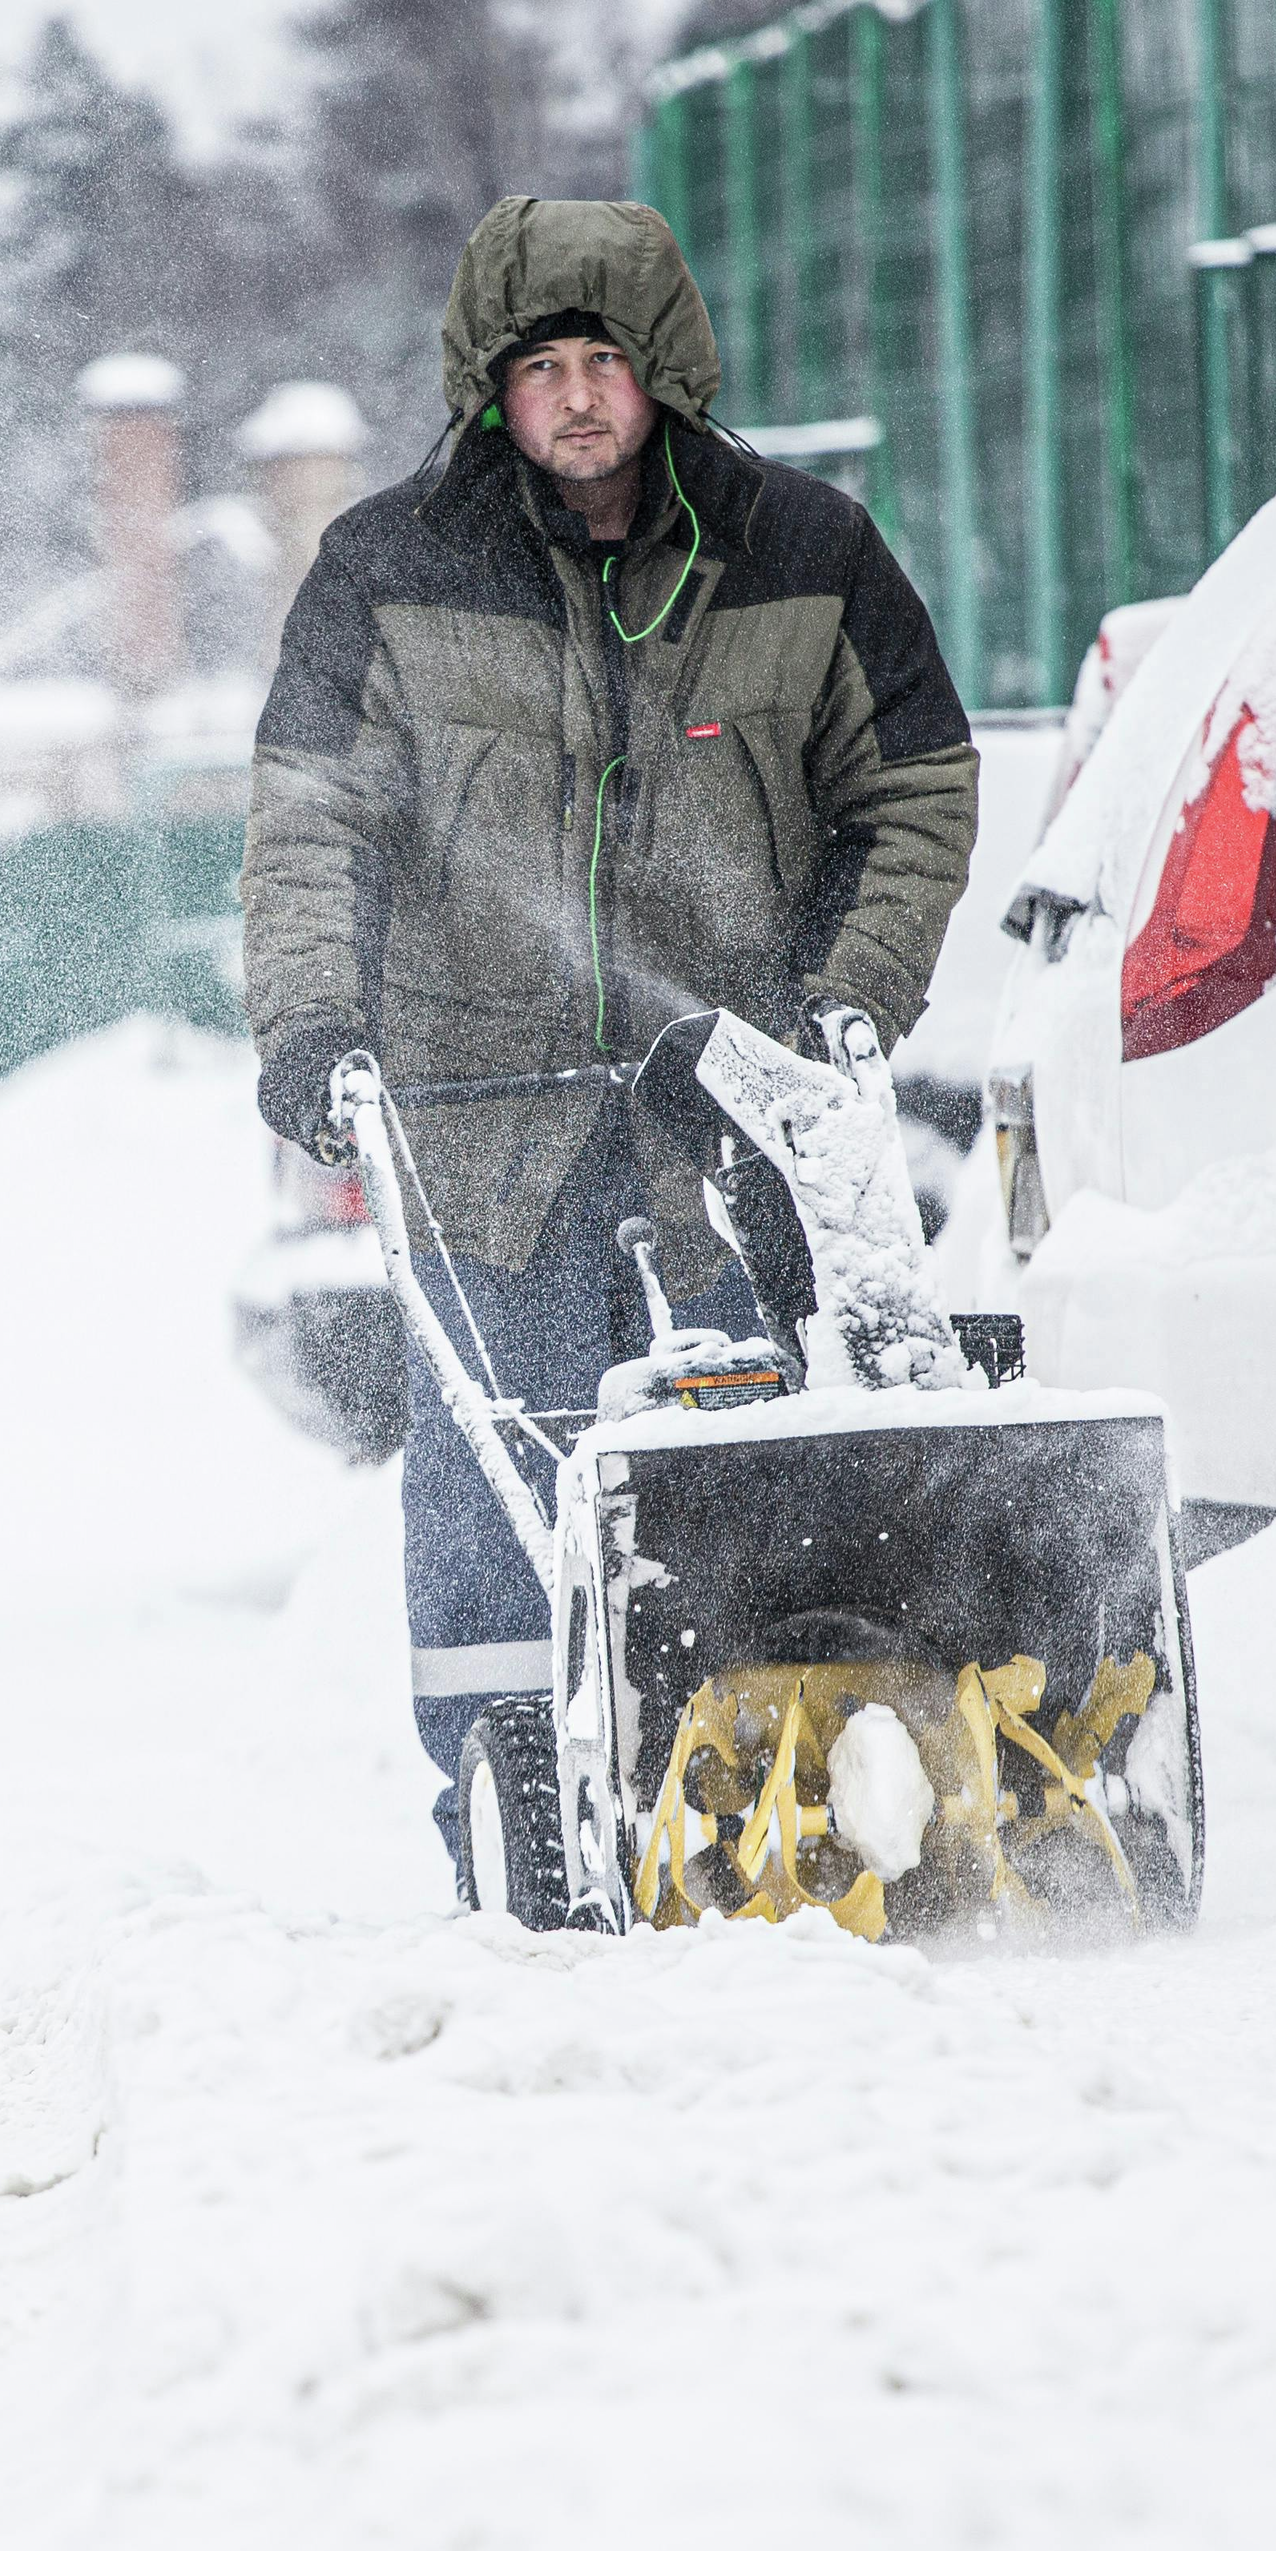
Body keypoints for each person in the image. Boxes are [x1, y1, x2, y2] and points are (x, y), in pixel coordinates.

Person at [240, 195, 982, 1903]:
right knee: (496, 1492)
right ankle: (517, 1857)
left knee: (753, 1474)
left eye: (605, 364)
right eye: (541, 369)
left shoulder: (804, 551)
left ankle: (766, 1812)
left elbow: (914, 788)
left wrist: (849, 997)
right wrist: (312, 1025)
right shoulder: (389, 567)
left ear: (664, 376)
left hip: (724, 1116)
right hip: (475, 1125)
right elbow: (306, 824)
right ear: (486, 391)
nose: (575, 399)